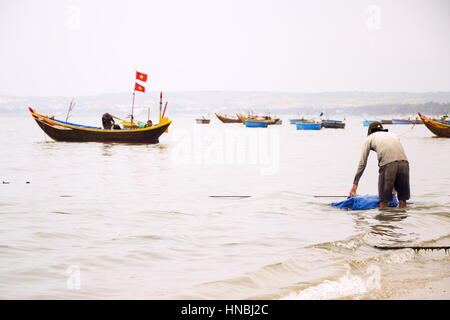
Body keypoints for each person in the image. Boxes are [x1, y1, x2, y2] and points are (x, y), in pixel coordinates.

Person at [349, 121, 410, 208]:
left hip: (388, 165)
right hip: (405, 163)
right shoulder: (393, 135)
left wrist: (355, 185)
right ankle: (402, 220)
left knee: (383, 201)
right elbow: (394, 155)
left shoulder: (369, 138)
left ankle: (383, 219)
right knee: (403, 200)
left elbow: (362, 163)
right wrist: (394, 186)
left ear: (370, 131)